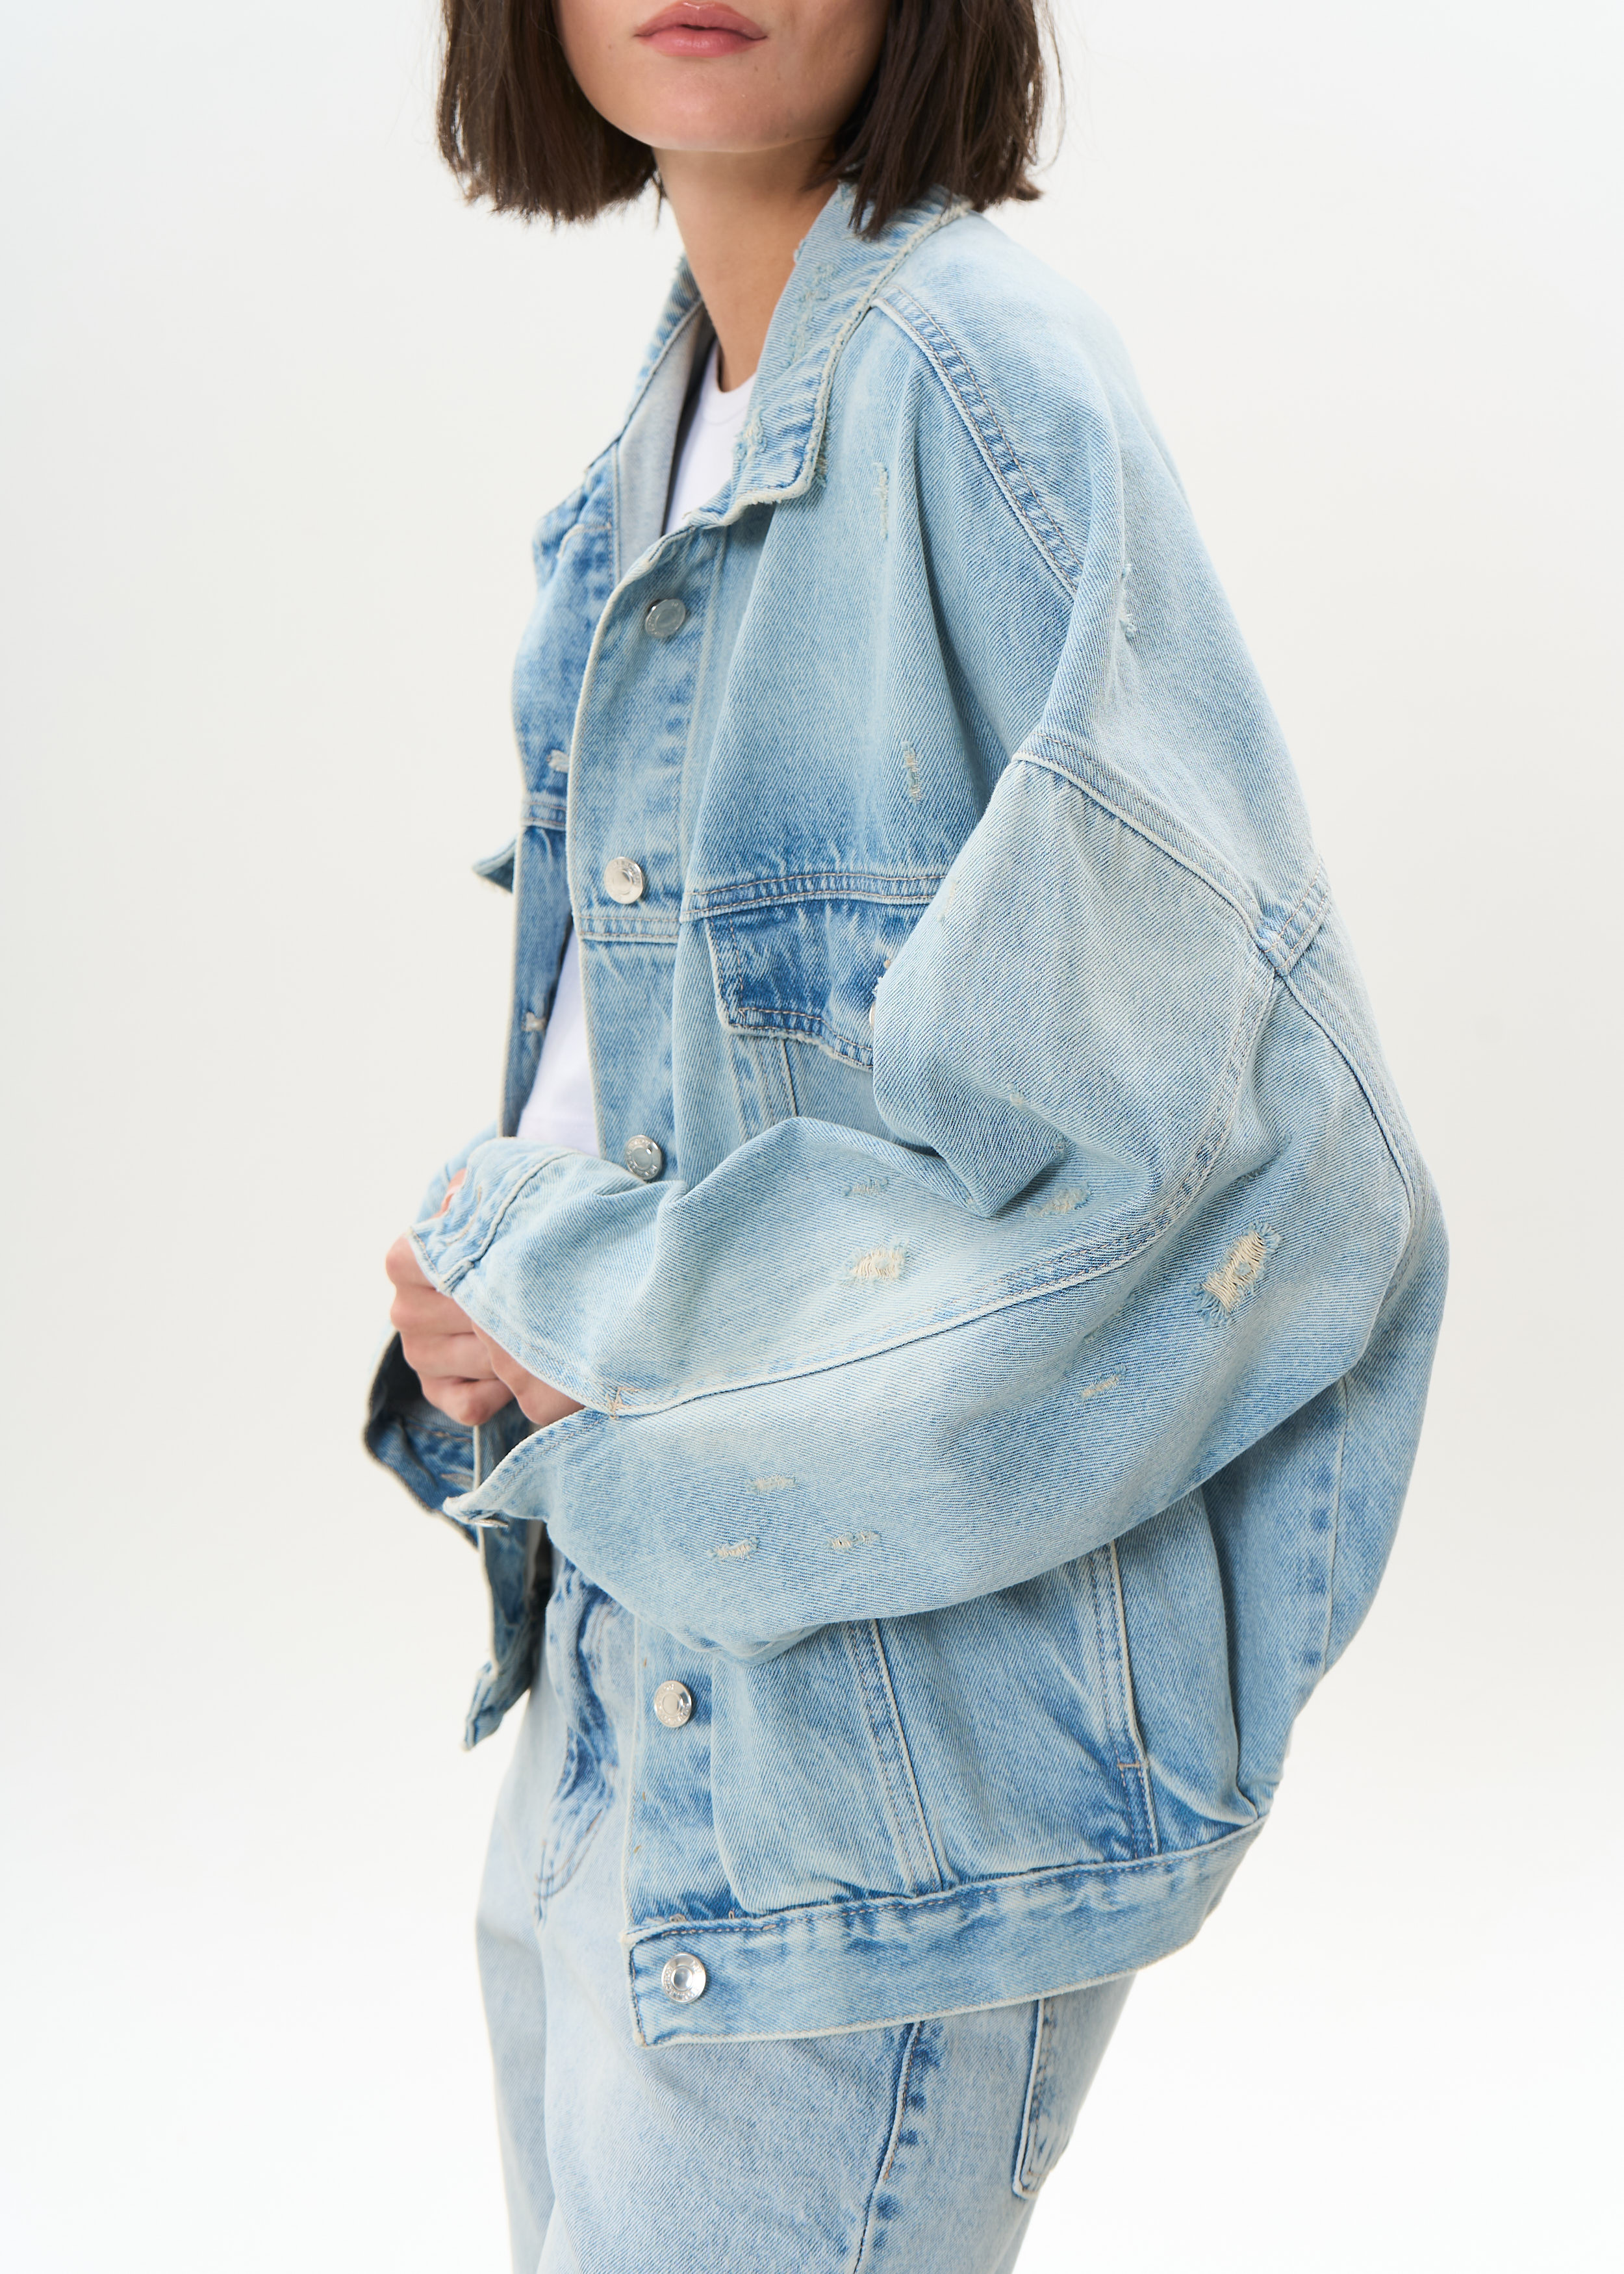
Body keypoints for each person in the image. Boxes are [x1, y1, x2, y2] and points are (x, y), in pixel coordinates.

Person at [368, 1, 1448, 2265]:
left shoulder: (977, 383)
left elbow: (1230, 1166)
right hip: (627, 1663)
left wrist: (583, 1290)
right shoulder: (659, 445)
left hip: (863, 1769)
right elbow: (662, 1097)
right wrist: (490, 1296)